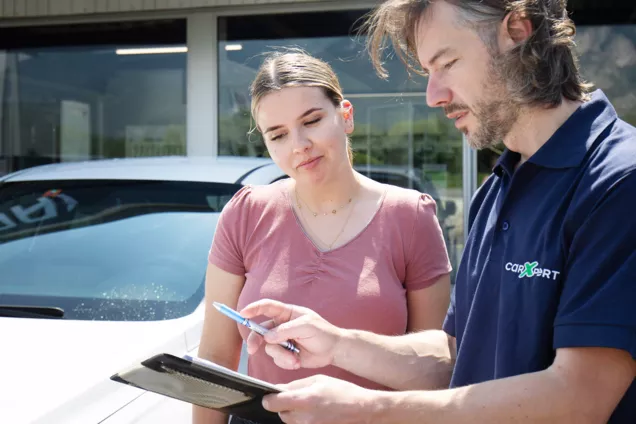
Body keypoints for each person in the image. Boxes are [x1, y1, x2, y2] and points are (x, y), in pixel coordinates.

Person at [238, 1, 636, 423]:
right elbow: (456, 358)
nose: (433, 96)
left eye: (447, 64)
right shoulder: (495, 192)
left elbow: (580, 396)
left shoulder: (619, 182)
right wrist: (337, 344)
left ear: (519, 30)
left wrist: (368, 410)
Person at [192, 50, 453, 424]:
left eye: (311, 121)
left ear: (345, 116)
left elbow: (438, 370)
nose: (299, 144)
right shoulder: (246, 212)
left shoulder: (410, 217)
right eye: (278, 134)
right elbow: (216, 358)